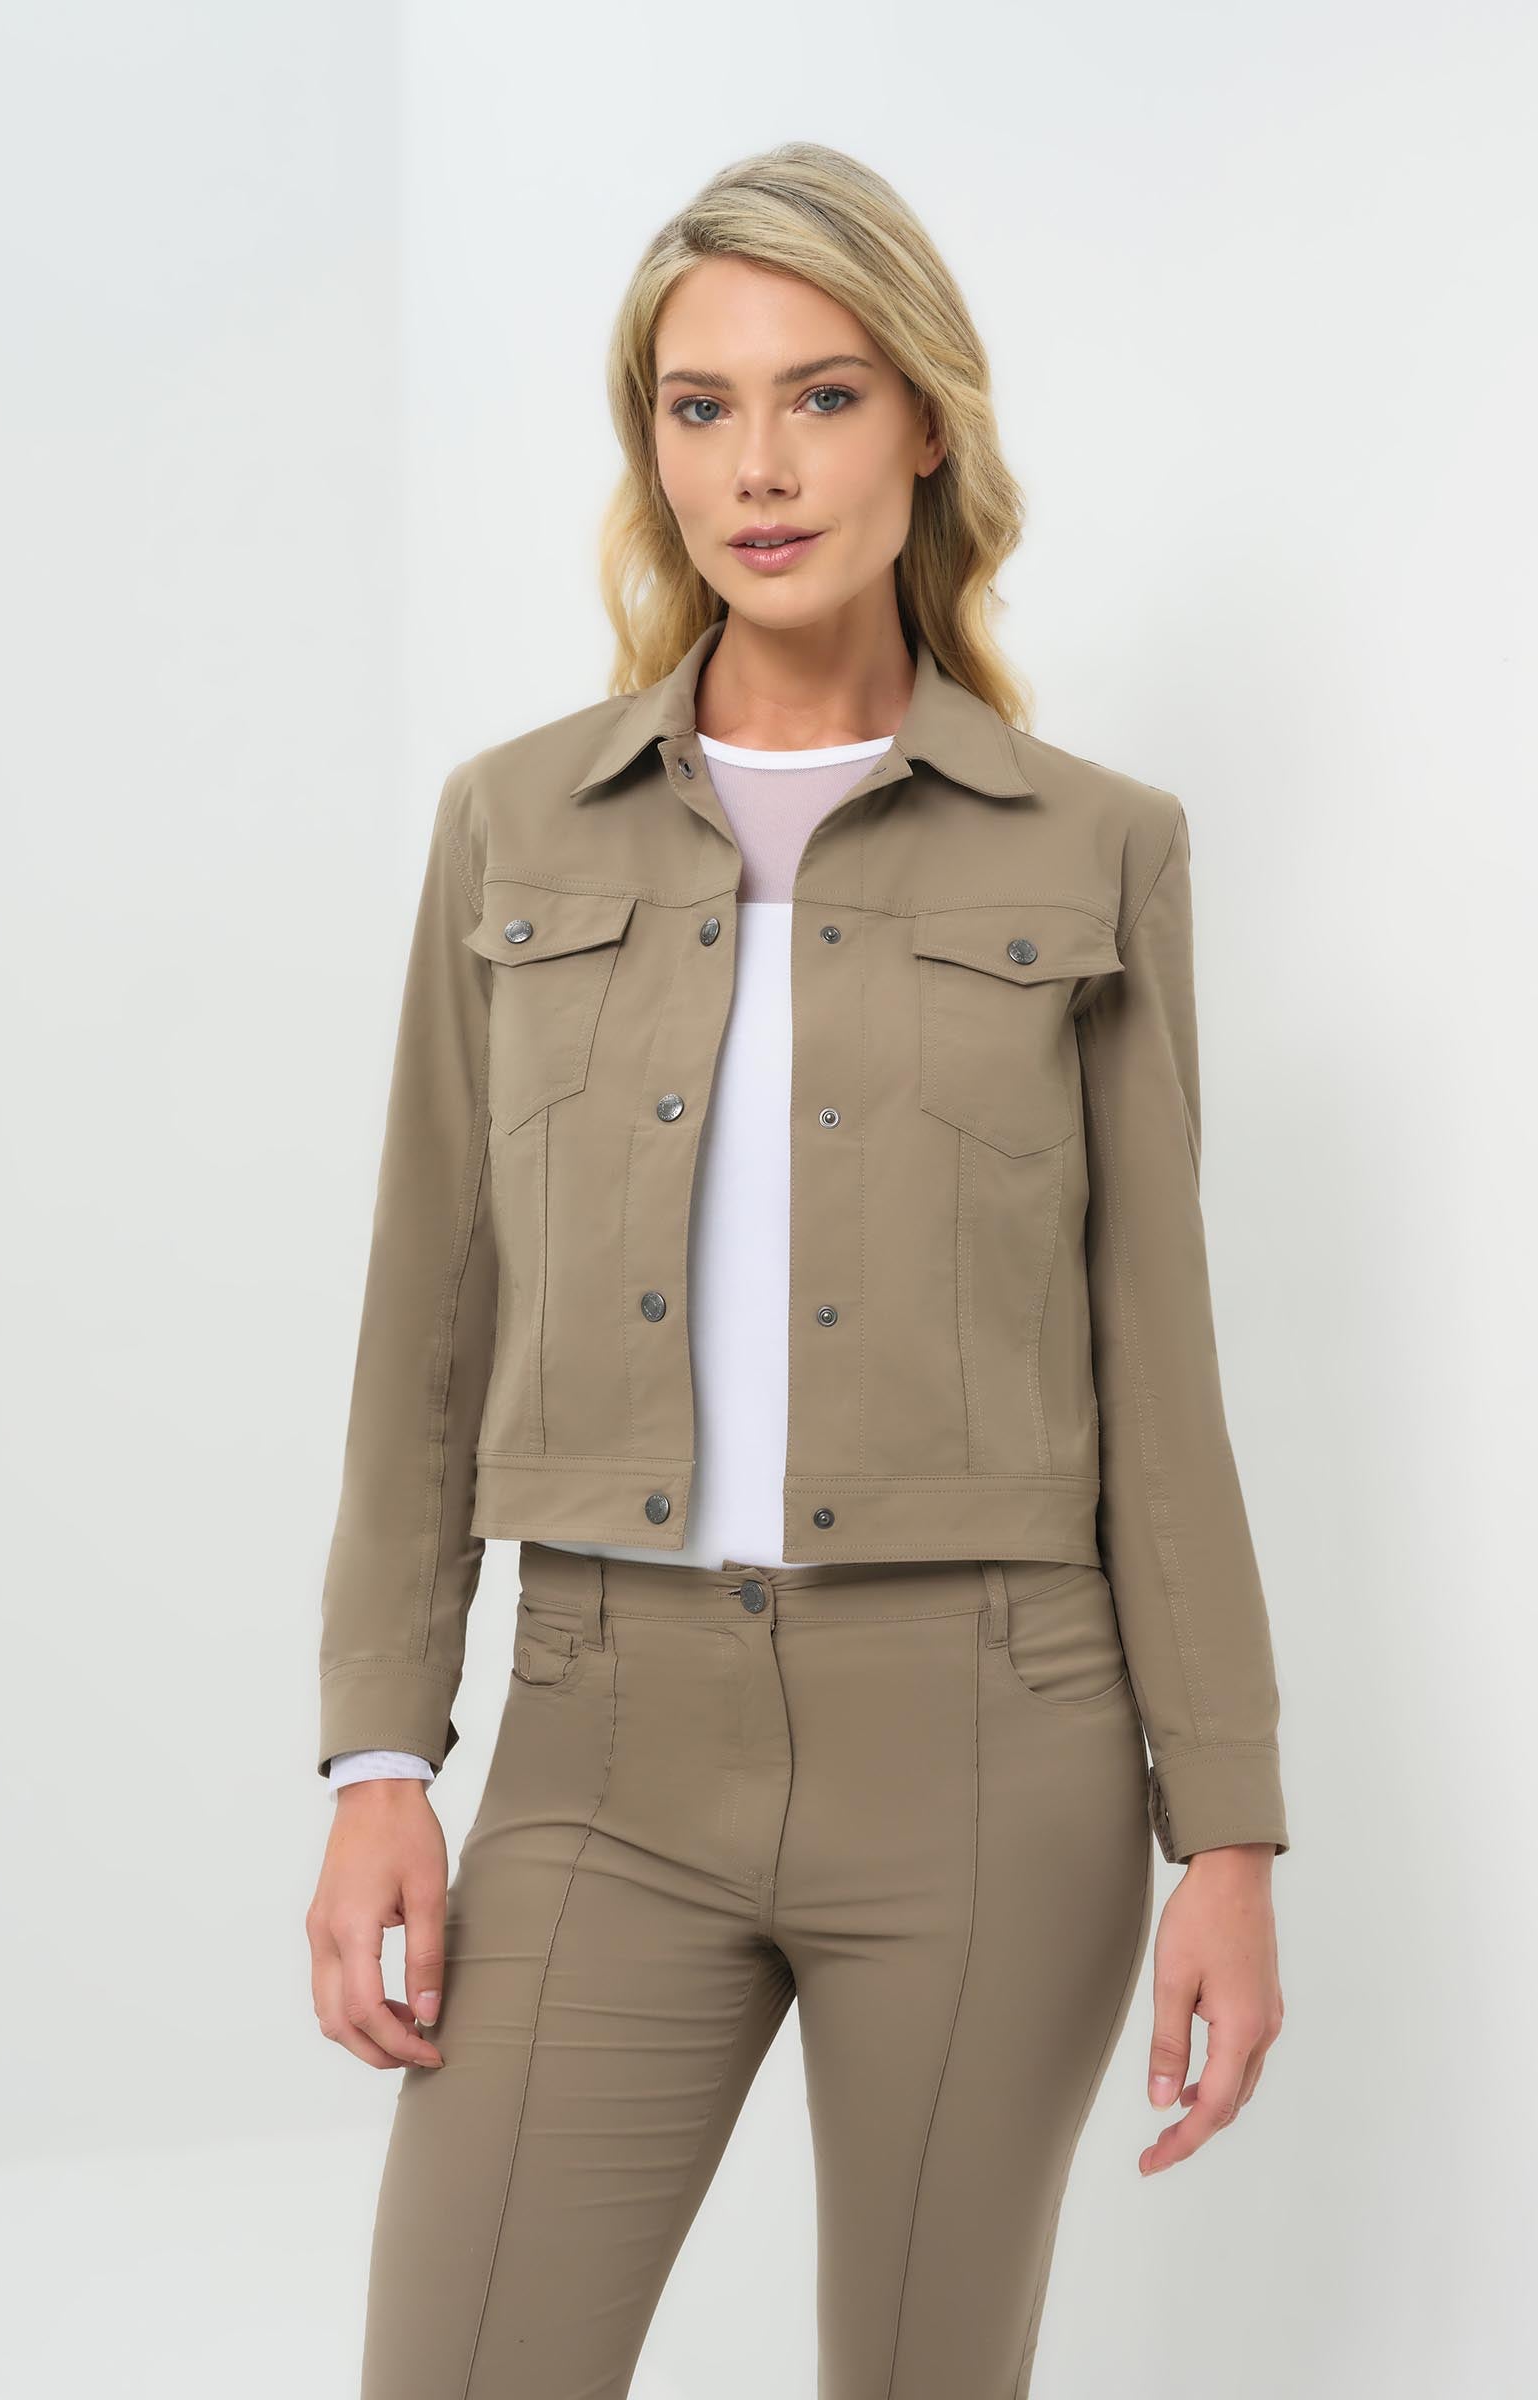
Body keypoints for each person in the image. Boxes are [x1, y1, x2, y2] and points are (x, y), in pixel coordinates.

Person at [305, 139, 1290, 2400]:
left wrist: (1224, 1831)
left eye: (821, 396)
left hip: (991, 1744)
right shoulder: (509, 825)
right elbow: (424, 1319)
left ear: (924, 423)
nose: (757, 465)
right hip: (596, 1734)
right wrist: (377, 1758)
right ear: (650, 446)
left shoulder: (1096, 847)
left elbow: (1161, 1369)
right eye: (699, 405)